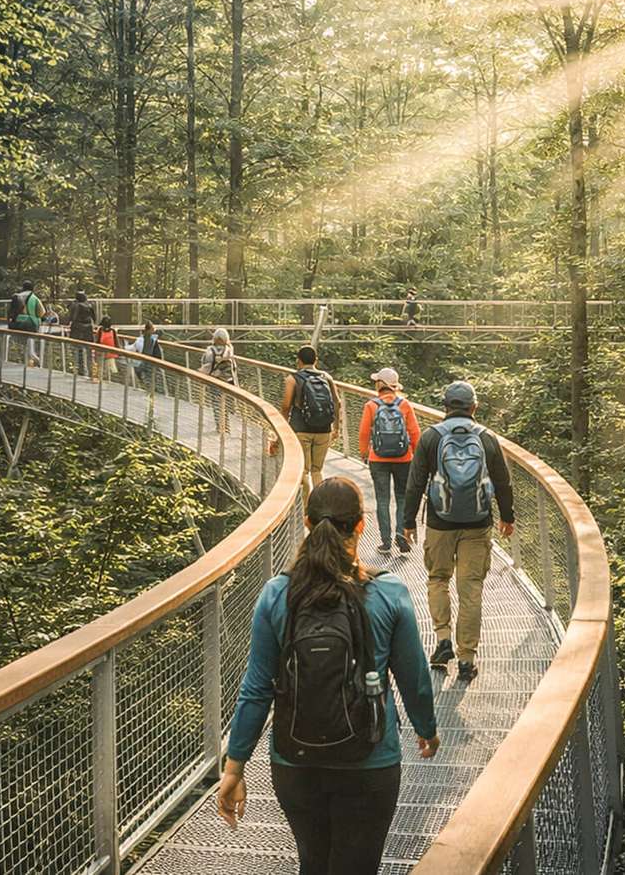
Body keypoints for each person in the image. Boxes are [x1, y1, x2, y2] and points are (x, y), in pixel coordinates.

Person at [216, 478, 439, 874]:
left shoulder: (276, 594)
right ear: (360, 525)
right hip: (370, 758)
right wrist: (426, 727)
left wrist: (235, 767)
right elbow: (414, 676)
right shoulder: (388, 593)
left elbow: (256, 688)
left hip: (295, 761)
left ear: (306, 521)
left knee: (313, 863)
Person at [401, 380, 515, 684]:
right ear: (474, 407)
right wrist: (508, 516)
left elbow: (415, 483)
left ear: (445, 407)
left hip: (440, 522)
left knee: (438, 578)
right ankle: (467, 659)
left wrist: (408, 520)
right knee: (471, 589)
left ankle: (442, 640)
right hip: (478, 524)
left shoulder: (431, 437)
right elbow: (503, 482)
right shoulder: (488, 438)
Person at [358, 368, 420, 554]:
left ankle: (385, 542)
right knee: (402, 497)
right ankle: (401, 535)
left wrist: (364, 453)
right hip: (404, 458)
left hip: (378, 458)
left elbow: (363, 433)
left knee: (382, 500)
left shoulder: (371, 405)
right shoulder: (405, 404)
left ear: (379, 384)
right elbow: (415, 433)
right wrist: (416, 455)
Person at [277, 345, 339, 497]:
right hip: (324, 430)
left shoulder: (293, 379)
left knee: (303, 470)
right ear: (316, 360)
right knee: (317, 470)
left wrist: (281, 428)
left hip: (300, 429)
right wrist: (336, 427)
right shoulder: (326, 378)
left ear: (298, 361)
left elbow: (286, 406)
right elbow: (337, 403)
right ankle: (319, 505)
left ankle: (307, 510)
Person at [201, 327, 240, 434]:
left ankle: (220, 426)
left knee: (216, 403)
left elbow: (206, 364)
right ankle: (226, 426)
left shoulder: (210, 350)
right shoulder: (229, 350)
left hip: (214, 380)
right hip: (228, 381)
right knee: (226, 404)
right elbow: (233, 367)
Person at [7, 282, 45, 367]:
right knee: (30, 346)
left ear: (23, 287)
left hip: (17, 324)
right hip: (30, 324)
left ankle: (26, 363)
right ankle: (38, 363)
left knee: (22, 345)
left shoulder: (17, 296)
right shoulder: (34, 298)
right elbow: (42, 313)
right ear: (32, 288)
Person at [67, 290, 97, 380]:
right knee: (88, 352)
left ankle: (80, 372)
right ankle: (91, 373)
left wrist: (69, 323)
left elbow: (73, 317)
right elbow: (94, 318)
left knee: (78, 350)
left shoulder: (76, 305)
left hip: (78, 329)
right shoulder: (89, 305)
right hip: (88, 329)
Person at [96, 316, 121, 383]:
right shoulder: (100, 330)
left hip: (111, 353)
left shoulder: (113, 331)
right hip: (101, 353)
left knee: (112, 369)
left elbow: (116, 341)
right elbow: (97, 341)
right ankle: (101, 382)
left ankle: (112, 382)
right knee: (101, 369)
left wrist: (119, 351)